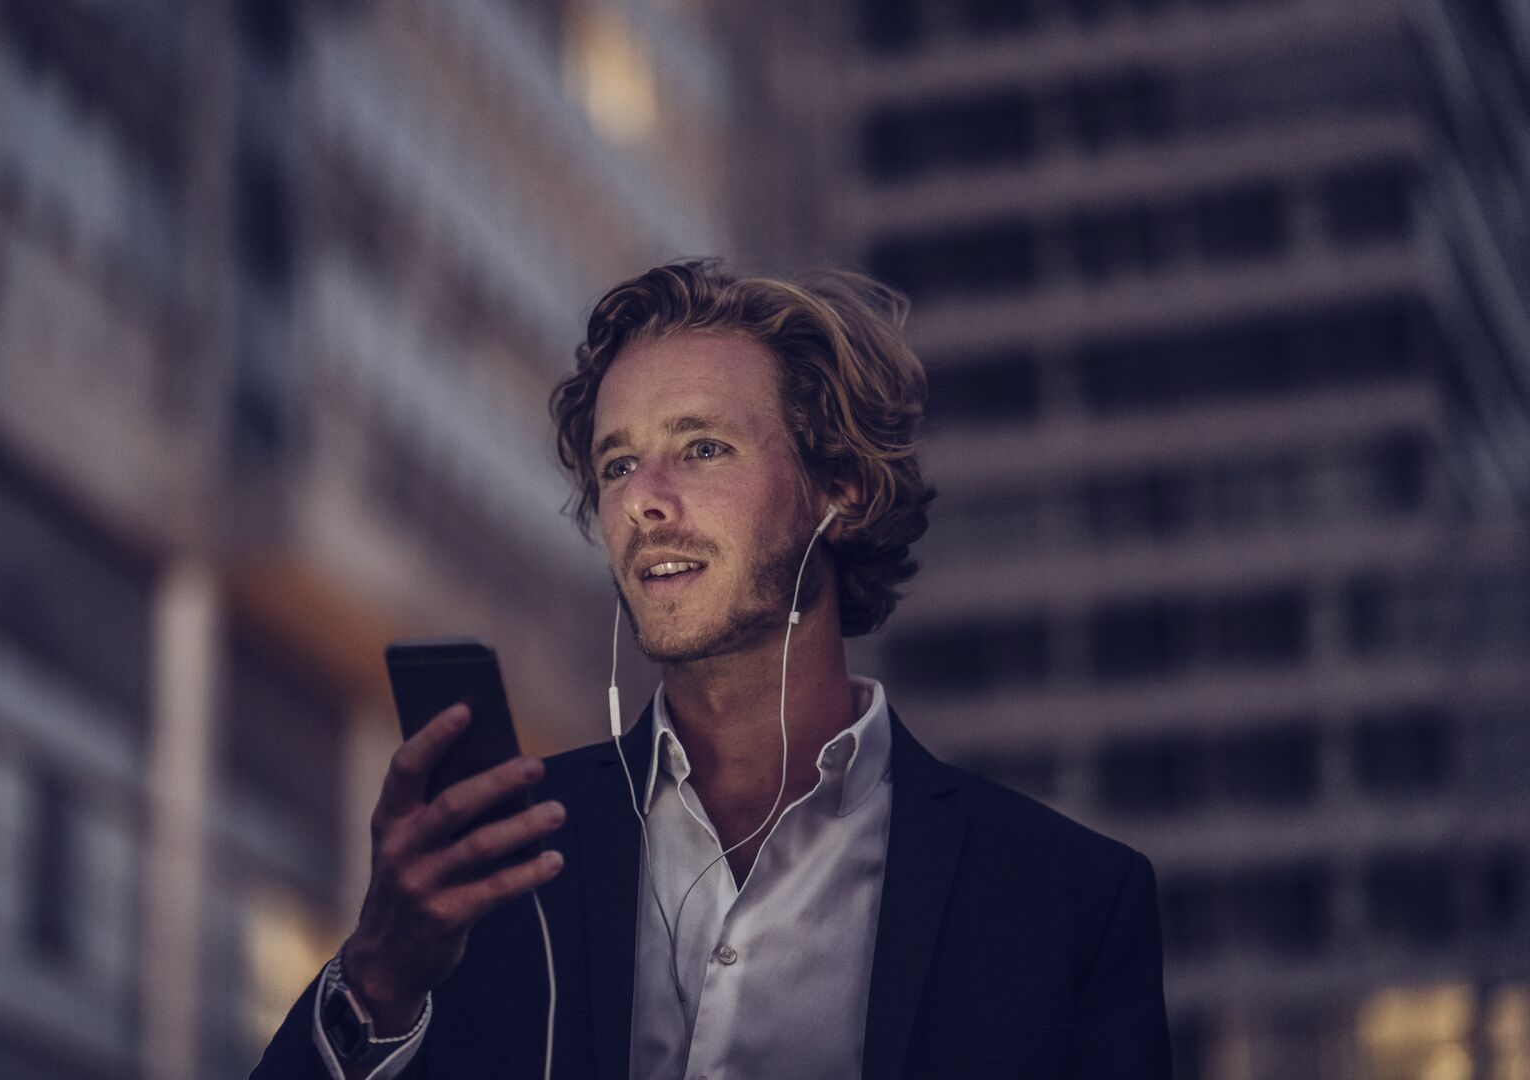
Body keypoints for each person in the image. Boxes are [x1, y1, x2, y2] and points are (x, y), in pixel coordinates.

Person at [250, 260, 1172, 1079]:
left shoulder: (1065, 900)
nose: (645, 502)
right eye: (617, 466)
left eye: (702, 449)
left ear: (838, 492)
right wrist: (374, 978)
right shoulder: (503, 868)